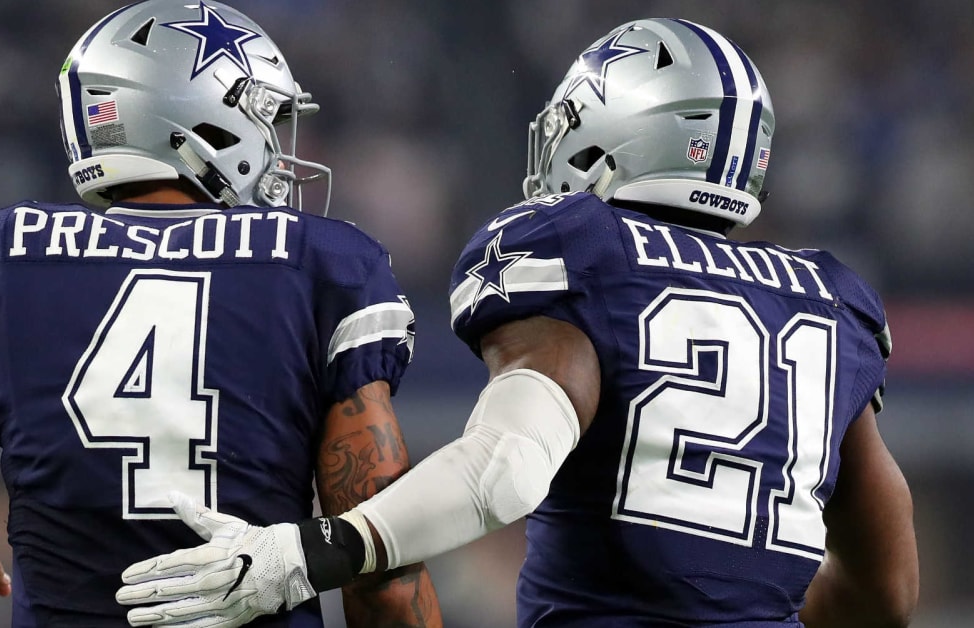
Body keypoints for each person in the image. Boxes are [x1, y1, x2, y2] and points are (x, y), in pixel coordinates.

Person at [113, 17, 920, 628]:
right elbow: (887, 592)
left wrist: (305, 555)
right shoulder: (832, 295)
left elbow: (506, 467)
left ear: (617, 135)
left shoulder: (580, 245)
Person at [0, 1, 442, 626]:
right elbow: (382, 580)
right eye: (264, 118)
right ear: (197, 119)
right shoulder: (322, 264)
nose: (277, 148)